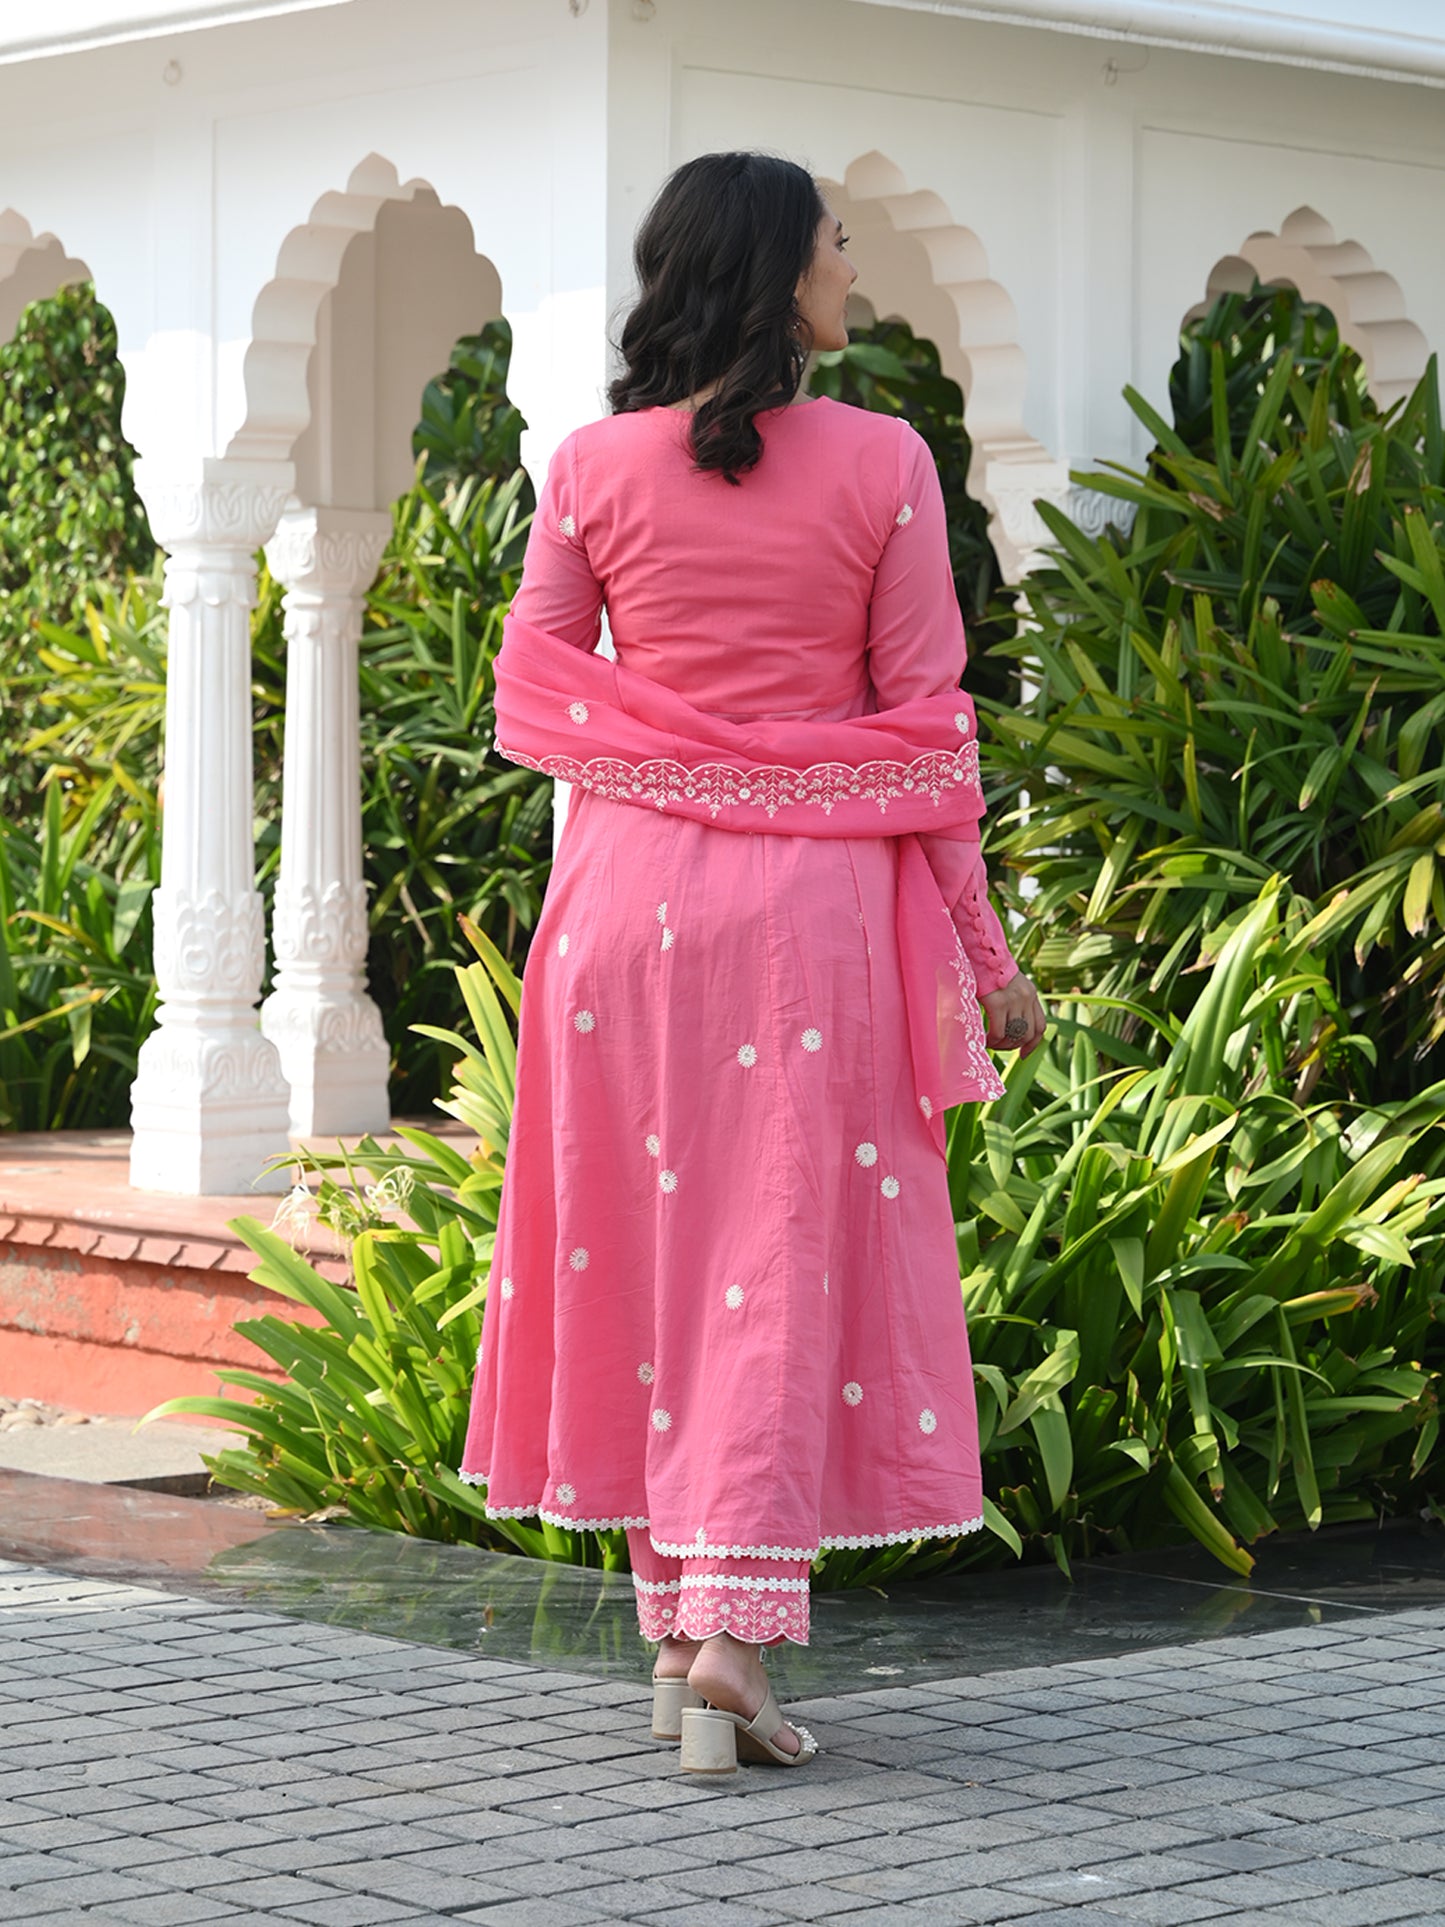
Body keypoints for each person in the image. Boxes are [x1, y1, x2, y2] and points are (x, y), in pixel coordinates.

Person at [460, 151, 1046, 1773]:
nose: (853, 269)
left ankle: (674, 1647)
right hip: (805, 924)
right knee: (769, 1263)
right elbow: (924, 736)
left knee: (656, 1259)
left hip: (621, 914)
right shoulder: (883, 461)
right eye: (837, 245)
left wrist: (679, 757)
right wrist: (983, 952)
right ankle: (729, 1643)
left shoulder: (591, 463)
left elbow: (534, 689)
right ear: (783, 270)